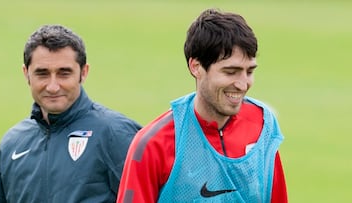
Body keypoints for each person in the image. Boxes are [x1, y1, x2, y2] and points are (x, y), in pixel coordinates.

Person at [117, 8, 288, 203]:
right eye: (230, 72)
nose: (242, 84)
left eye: (249, 72)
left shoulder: (262, 125)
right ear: (196, 67)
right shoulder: (153, 145)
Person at [0, 24, 142, 202]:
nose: (53, 86)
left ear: (83, 72)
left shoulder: (116, 134)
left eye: (64, 73)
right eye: (42, 74)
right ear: (26, 74)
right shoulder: (12, 143)